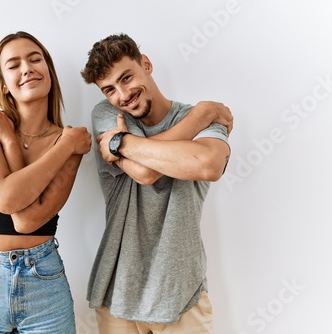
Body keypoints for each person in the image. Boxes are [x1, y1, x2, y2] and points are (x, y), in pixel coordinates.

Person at [80, 33, 233, 333]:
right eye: (109, 89)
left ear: (146, 64)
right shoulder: (107, 114)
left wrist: (121, 145)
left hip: (182, 294)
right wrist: (202, 115)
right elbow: (145, 174)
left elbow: (208, 164)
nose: (123, 95)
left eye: (127, 78)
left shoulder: (198, 118)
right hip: (117, 293)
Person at [0, 31, 92, 334]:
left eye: (34, 59)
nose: (27, 68)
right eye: (13, 65)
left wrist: (65, 144)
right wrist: (11, 140)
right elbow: (5, 199)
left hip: (44, 285)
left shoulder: (68, 140)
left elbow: (27, 220)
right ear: (2, 84)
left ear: (49, 73)